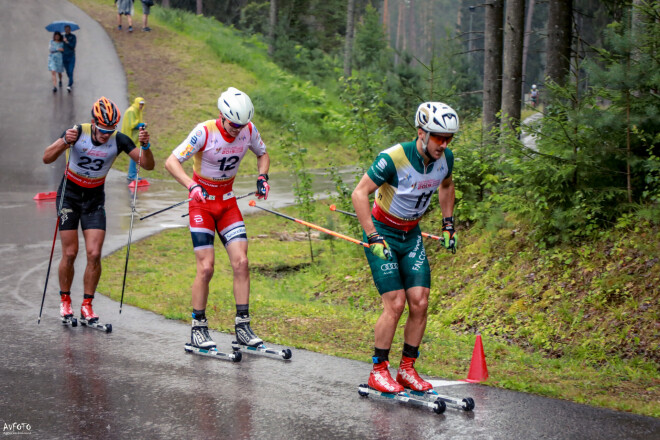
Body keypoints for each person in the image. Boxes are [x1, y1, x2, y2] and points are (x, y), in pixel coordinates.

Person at [351, 102, 459, 393]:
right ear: (421, 132)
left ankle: (407, 369)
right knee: (396, 303)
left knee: (420, 302)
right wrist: (372, 236)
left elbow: (446, 187)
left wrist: (448, 224)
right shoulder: (393, 158)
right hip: (383, 231)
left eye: (449, 138)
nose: (444, 144)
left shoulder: (445, 158)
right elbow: (359, 194)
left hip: (411, 234)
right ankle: (379, 370)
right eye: (439, 137)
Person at [164, 87, 271, 350]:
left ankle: (243, 327)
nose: (238, 130)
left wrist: (262, 176)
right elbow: (171, 162)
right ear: (222, 116)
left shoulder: (248, 130)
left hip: (227, 203)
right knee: (206, 267)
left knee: (242, 262)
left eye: (242, 125)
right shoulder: (204, 131)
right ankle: (198, 327)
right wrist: (191, 185)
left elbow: (263, 153)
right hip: (201, 205)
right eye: (234, 124)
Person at [42, 97, 155, 324]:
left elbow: (148, 165)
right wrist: (64, 141)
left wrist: (145, 146)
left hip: (94, 199)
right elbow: (46, 158)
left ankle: (87, 305)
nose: (106, 135)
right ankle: (65, 301)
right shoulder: (77, 132)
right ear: (93, 122)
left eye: (110, 130)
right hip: (69, 196)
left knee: (94, 254)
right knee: (71, 252)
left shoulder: (119, 139)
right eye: (102, 129)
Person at [122, 97, 147, 181]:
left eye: (142, 104)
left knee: (136, 155)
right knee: (135, 155)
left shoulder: (137, 111)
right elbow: (132, 125)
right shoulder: (132, 111)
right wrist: (142, 125)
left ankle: (132, 173)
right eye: (140, 104)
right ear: (136, 103)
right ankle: (131, 174)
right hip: (130, 137)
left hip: (134, 137)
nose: (141, 106)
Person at [62, 25, 77, 93]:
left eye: (68, 29)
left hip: (71, 56)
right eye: (66, 29)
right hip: (64, 56)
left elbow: (72, 46)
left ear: (70, 30)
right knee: (68, 72)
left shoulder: (73, 37)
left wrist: (67, 42)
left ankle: (69, 85)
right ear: (64, 30)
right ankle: (71, 80)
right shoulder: (62, 37)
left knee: (71, 71)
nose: (67, 30)